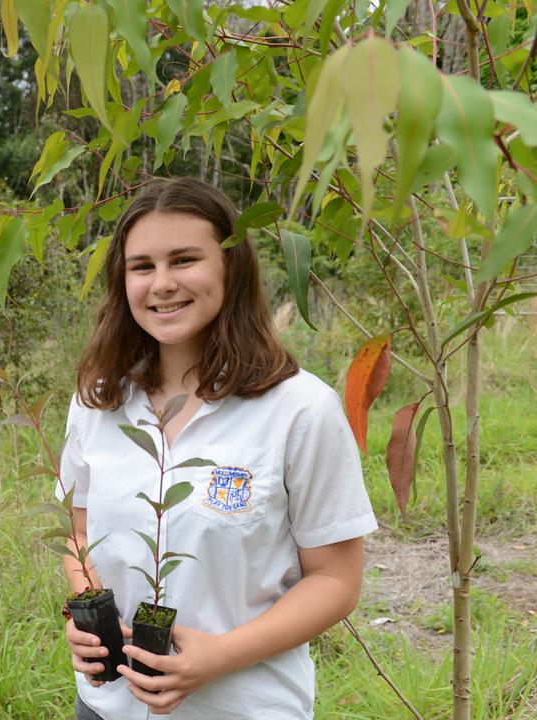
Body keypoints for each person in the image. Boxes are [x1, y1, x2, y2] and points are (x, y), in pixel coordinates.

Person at [60, 178, 377, 719]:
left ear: (232, 266)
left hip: (243, 707)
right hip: (106, 707)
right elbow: (81, 534)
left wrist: (218, 657)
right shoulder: (99, 400)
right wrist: (81, 612)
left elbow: (335, 580)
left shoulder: (300, 409)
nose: (162, 284)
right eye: (142, 266)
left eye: (184, 260)